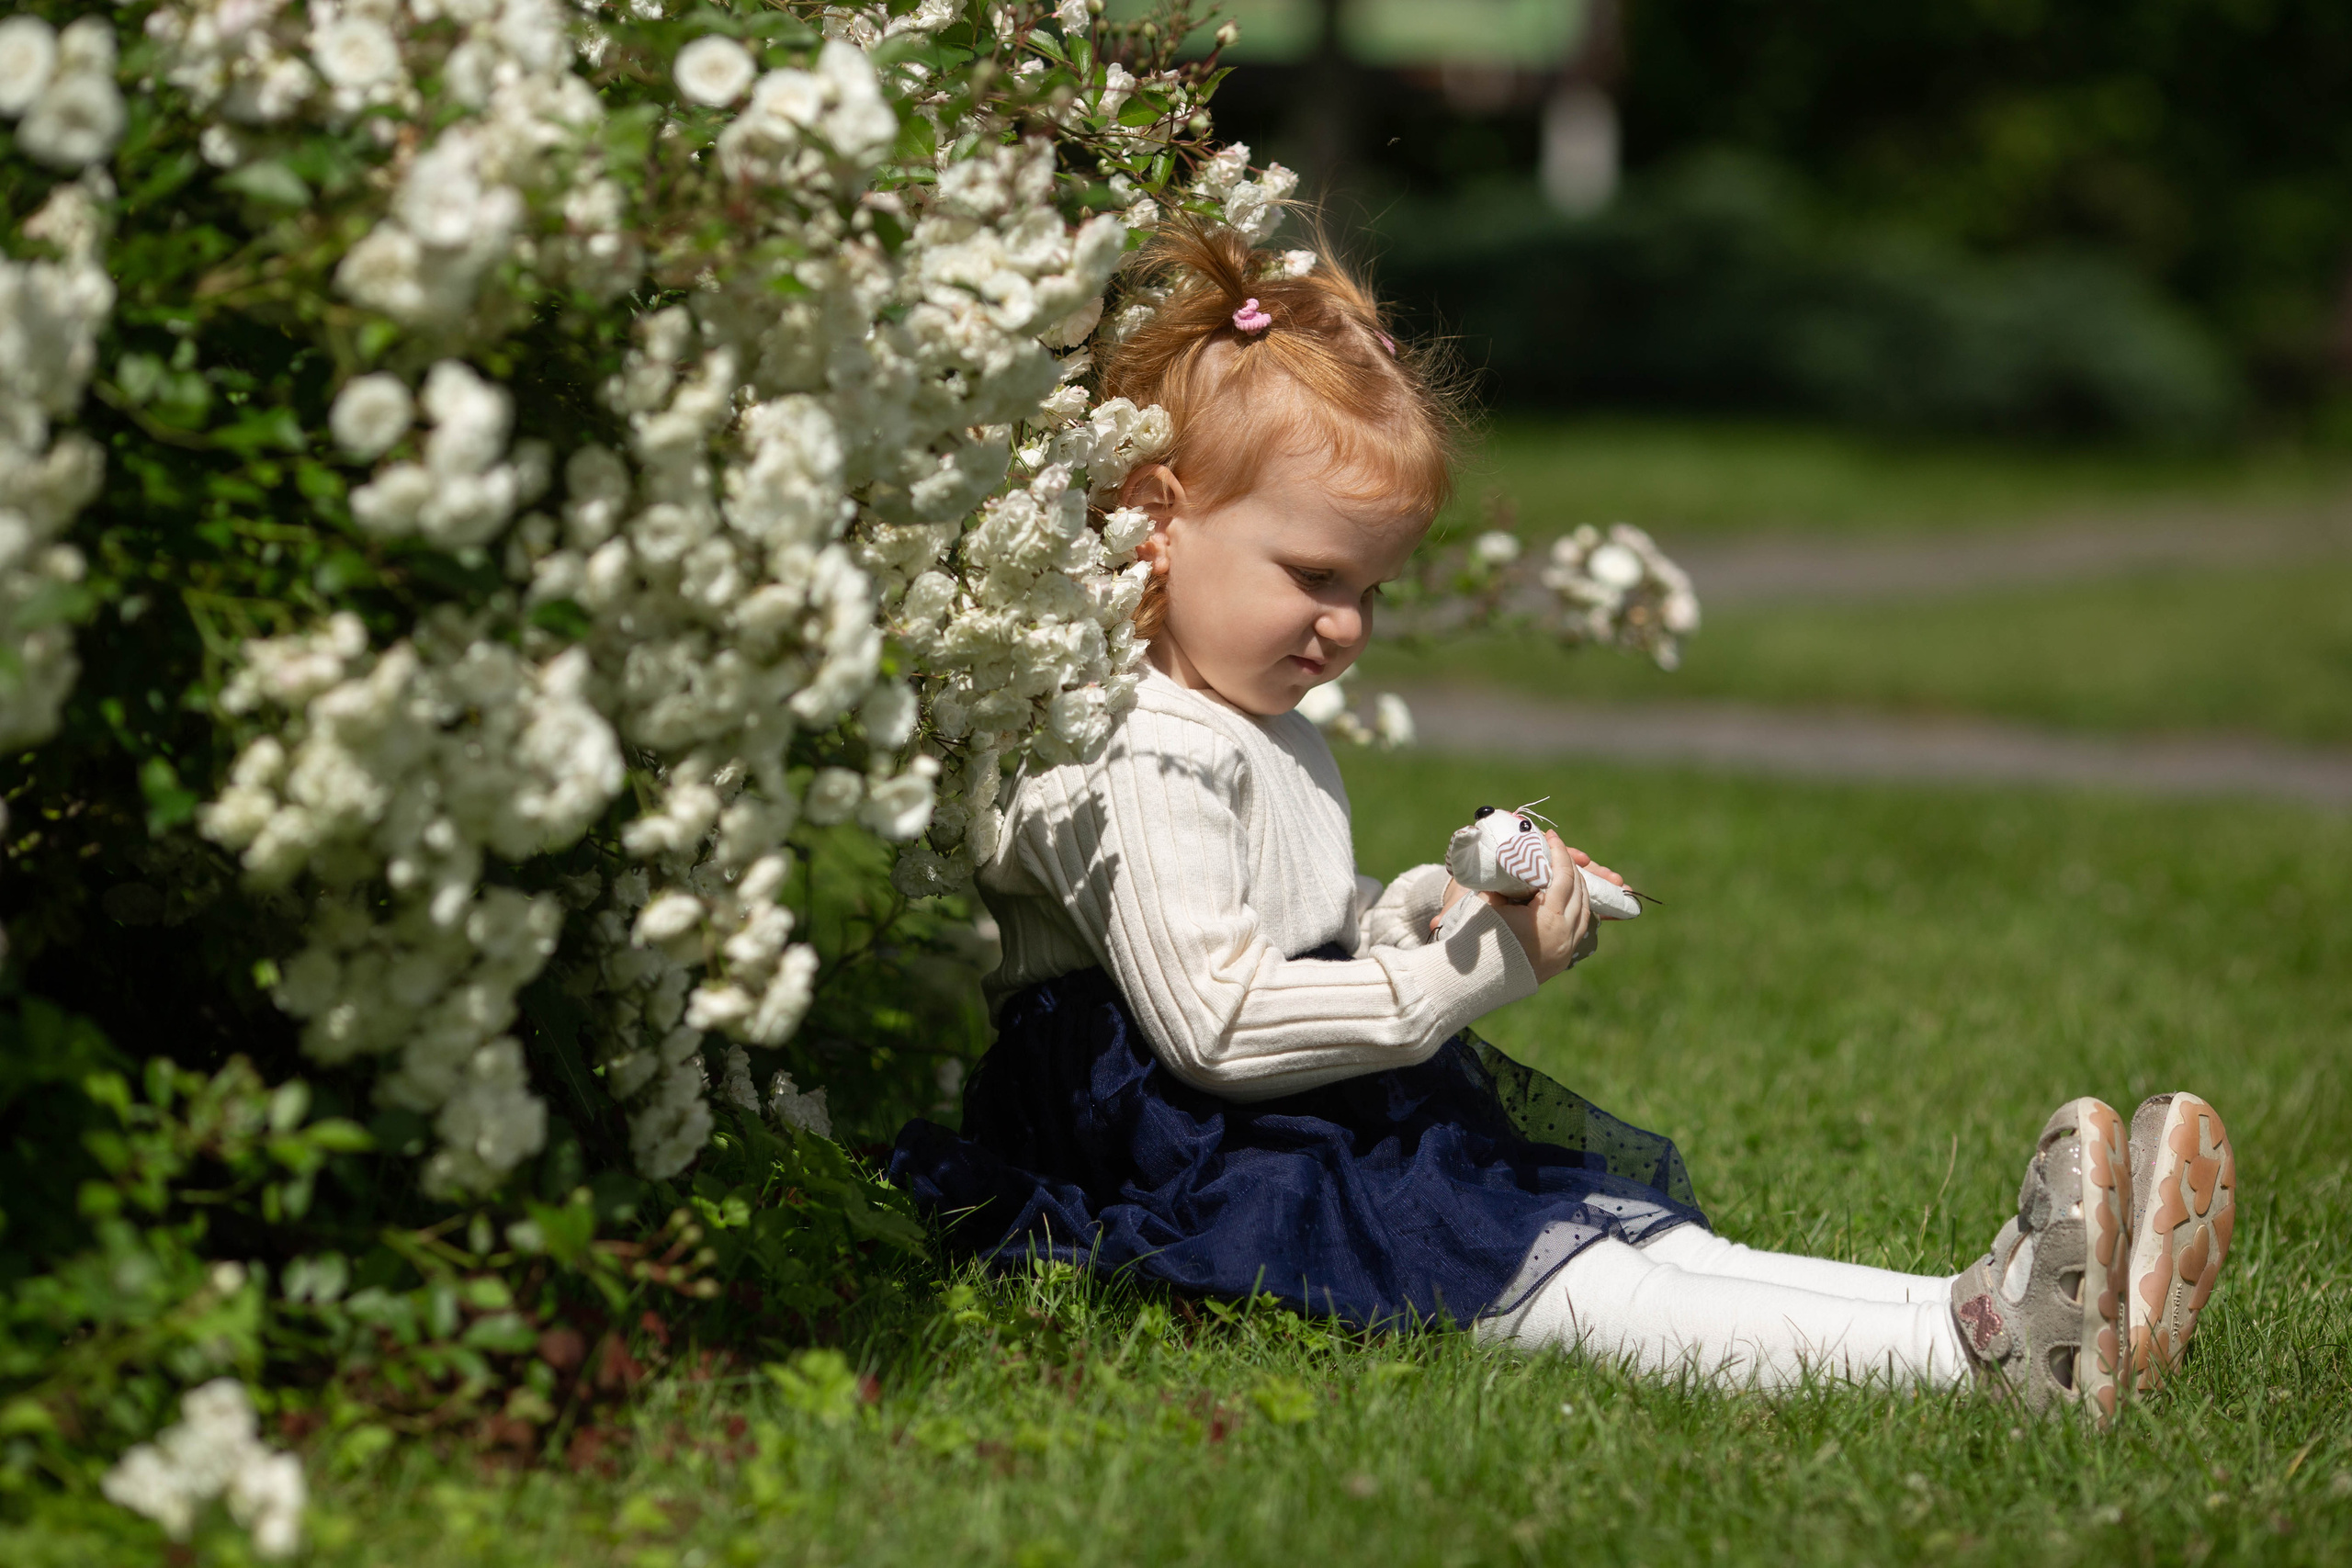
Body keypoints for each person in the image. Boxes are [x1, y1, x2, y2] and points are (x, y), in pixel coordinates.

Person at [889, 221, 2236, 1418]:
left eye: (1369, 589)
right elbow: (1219, 1023)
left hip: (1289, 1112)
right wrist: (1472, 971)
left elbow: (1290, 914)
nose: (1345, 624)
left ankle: (2000, 1305)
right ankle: (1974, 1362)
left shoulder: (1250, 719)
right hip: (1185, 1152)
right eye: (1313, 575)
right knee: (1552, 1281)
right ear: (1151, 516)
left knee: (1604, 1228)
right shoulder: (1132, 744)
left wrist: (1421, 907)